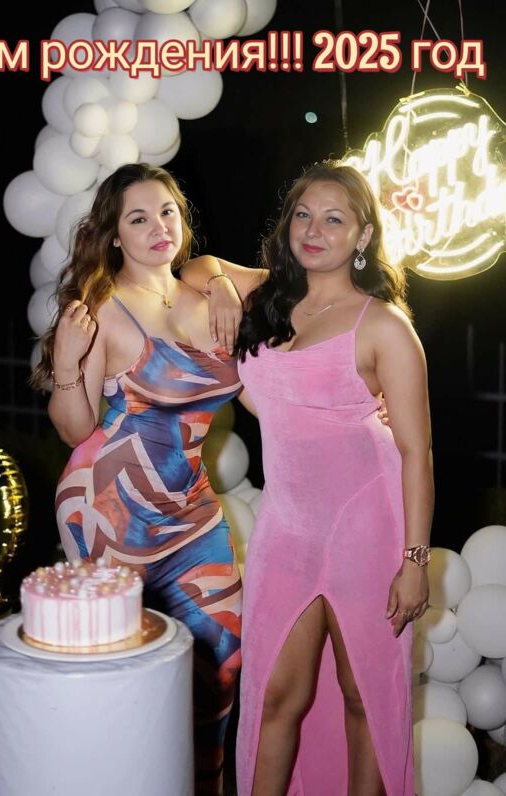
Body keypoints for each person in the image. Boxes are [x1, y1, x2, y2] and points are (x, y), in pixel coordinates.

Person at [180, 161, 433, 796]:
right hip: (285, 528)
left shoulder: (383, 325)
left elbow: (416, 452)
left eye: (334, 219)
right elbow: (194, 268)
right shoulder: (267, 295)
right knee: (274, 696)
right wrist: (219, 287)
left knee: (363, 693)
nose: (314, 231)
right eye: (303, 215)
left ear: (363, 236)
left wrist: (415, 561)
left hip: (367, 526)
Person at [30, 163, 243, 796]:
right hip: (110, 509)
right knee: (124, 671)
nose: (158, 227)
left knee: (224, 665)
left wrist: (221, 278)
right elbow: (75, 429)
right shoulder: (103, 308)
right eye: (139, 218)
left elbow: (295, 280)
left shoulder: (206, 295)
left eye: (167, 212)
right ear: (115, 234)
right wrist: (67, 363)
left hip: (192, 508)